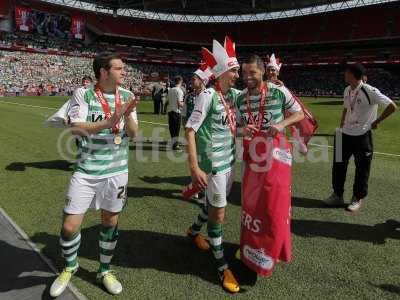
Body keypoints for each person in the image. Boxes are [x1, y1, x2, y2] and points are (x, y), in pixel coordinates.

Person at [49, 53, 139, 297]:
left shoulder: (128, 96)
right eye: (119, 68)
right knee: (69, 225)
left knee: (110, 222)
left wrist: (128, 114)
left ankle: (105, 270)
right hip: (86, 171)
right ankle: (70, 266)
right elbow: (76, 126)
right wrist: (110, 120)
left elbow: (133, 133)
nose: (123, 72)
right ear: (103, 72)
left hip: (117, 171)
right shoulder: (84, 94)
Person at [235, 54, 304, 276]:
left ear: (263, 71)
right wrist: (241, 130)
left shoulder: (278, 91)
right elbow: (234, 127)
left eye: (252, 73)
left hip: (276, 157)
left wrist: (282, 123)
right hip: (252, 156)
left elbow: (299, 114)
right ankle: (251, 249)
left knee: (273, 208)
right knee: (251, 208)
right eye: (244, 73)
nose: (247, 77)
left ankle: (270, 251)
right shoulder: (239, 99)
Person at [185, 36, 241, 293]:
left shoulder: (232, 96)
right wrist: (195, 168)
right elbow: (190, 131)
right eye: (234, 70)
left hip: (229, 163)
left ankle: (194, 231)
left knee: (212, 205)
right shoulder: (207, 96)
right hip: (214, 167)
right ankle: (221, 266)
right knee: (218, 213)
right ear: (221, 73)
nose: (238, 75)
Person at [324, 63, 397, 212]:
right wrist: (341, 126)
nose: (344, 74)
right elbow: (346, 108)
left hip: (362, 135)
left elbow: (392, 106)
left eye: (346, 72)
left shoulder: (369, 90)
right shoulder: (346, 89)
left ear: (353, 74)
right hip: (343, 134)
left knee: (362, 169)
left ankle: (357, 198)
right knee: (338, 166)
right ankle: (337, 195)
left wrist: (376, 122)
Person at [167, 75, 184, 150]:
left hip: (170, 111)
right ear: (180, 81)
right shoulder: (179, 91)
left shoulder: (170, 89)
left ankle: (174, 143)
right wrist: (185, 103)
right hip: (176, 112)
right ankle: (175, 144)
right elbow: (179, 103)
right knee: (176, 129)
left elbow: (168, 100)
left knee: (172, 128)